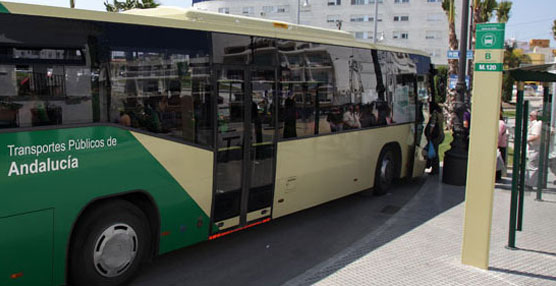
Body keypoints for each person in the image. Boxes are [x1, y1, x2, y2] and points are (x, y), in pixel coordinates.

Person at [425, 102, 444, 175]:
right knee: (435, 151)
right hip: (440, 135)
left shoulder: (434, 113)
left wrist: (429, 133)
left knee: (434, 153)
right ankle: (435, 169)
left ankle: (435, 170)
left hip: (435, 135)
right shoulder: (440, 113)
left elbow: (432, 125)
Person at [525, 110, 543, 189]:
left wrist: (526, 140)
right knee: (530, 165)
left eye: (530, 115)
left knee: (532, 166)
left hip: (535, 148)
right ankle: (528, 182)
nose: (529, 117)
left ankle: (529, 184)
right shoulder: (535, 124)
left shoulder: (537, 124)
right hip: (532, 148)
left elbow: (536, 136)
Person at [496, 113, 508, 181]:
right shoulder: (502, 123)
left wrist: (496, 145)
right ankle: (498, 176)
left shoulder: (499, 123)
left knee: (498, 162)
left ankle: (497, 177)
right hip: (502, 144)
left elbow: (498, 134)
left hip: (500, 145)